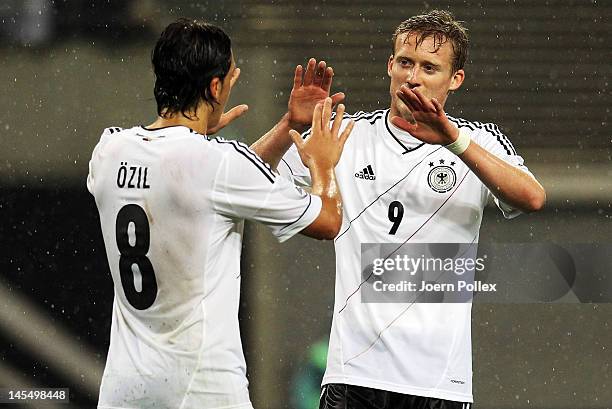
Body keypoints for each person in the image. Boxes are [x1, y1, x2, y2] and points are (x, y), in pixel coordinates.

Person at [251, 9, 546, 409]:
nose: (413, 76)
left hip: (439, 381)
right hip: (354, 374)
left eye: (430, 67)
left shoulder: (477, 141)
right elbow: (246, 177)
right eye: (405, 62)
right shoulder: (346, 134)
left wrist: (452, 141)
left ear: (455, 79)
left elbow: (532, 198)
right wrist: (291, 121)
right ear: (390, 66)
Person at [86, 19, 353, 409]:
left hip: (124, 389)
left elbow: (204, 188)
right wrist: (324, 165)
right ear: (214, 88)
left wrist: (286, 126)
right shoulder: (216, 163)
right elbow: (328, 221)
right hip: (201, 388)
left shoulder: (109, 150)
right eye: (230, 79)